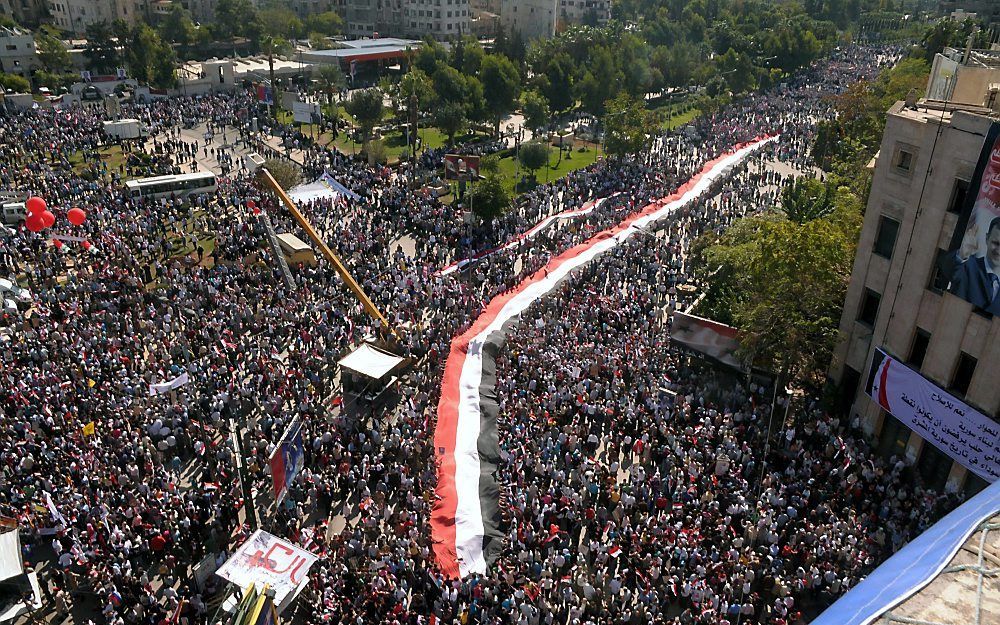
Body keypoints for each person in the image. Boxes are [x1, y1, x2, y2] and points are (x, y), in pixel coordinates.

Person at [949, 215, 1000, 315]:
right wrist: (962, 255)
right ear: (987, 238)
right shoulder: (968, 265)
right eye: (996, 243)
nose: (998, 250)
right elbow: (949, 271)